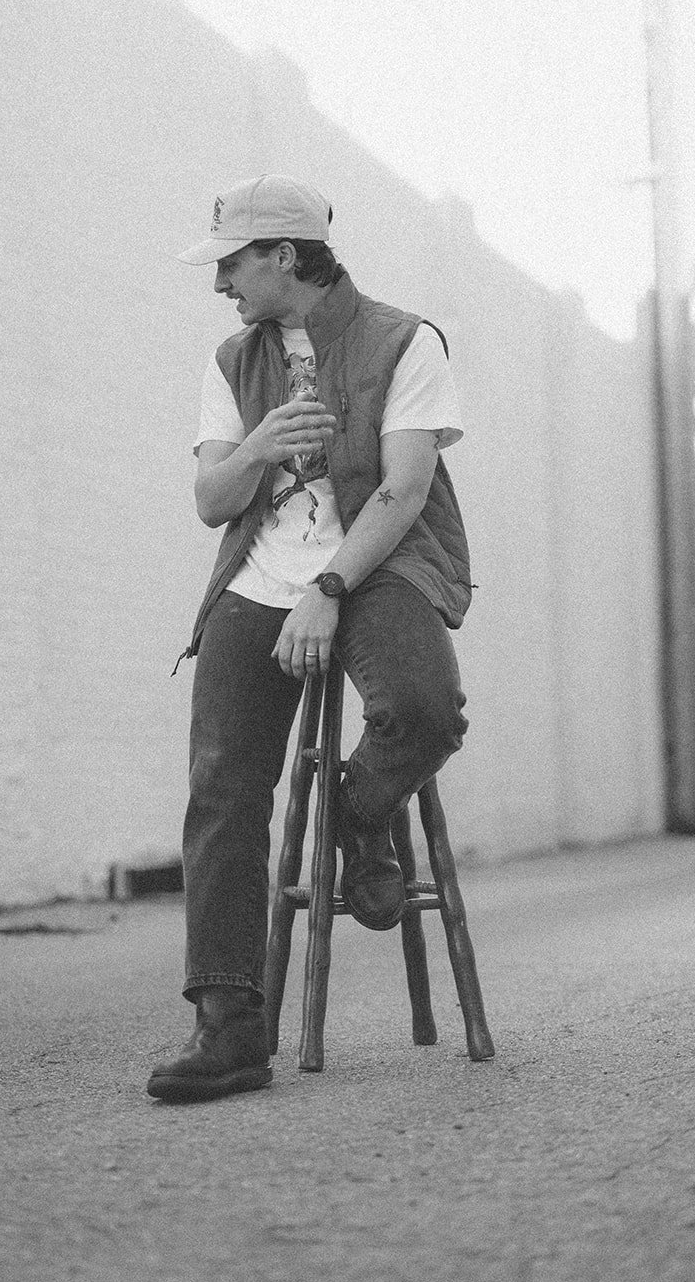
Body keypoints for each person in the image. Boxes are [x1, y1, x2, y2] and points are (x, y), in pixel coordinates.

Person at [147, 174, 472, 1103]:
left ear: (284, 255)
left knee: (421, 709)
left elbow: (402, 491)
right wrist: (256, 446)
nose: (220, 286)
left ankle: (355, 810)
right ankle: (229, 1025)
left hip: (375, 566)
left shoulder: (404, 340)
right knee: (222, 786)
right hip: (260, 577)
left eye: (232, 264)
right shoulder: (231, 361)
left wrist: (329, 587)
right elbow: (212, 501)